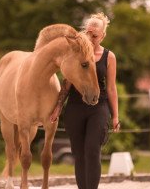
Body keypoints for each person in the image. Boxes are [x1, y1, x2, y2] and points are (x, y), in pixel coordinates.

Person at [50, 12, 120, 189]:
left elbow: (111, 88)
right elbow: (67, 83)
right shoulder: (76, 53)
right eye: (88, 33)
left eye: (95, 35)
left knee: (92, 150)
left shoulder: (109, 57)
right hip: (74, 107)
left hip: (99, 107)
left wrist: (115, 116)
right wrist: (58, 107)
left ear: (103, 35)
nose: (90, 37)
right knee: (79, 154)